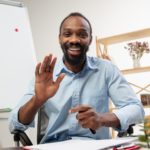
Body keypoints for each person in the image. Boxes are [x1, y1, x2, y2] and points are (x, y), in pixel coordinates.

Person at [9, 12, 144, 144]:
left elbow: (136, 109)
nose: (74, 40)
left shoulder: (106, 69)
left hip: (96, 146)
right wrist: (37, 100)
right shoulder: (45, 75)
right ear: (60, 38)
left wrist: (101, 119)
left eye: (82, 34)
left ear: (90, 39)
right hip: (52, 147)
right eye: (67, 34)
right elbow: (15, 124)